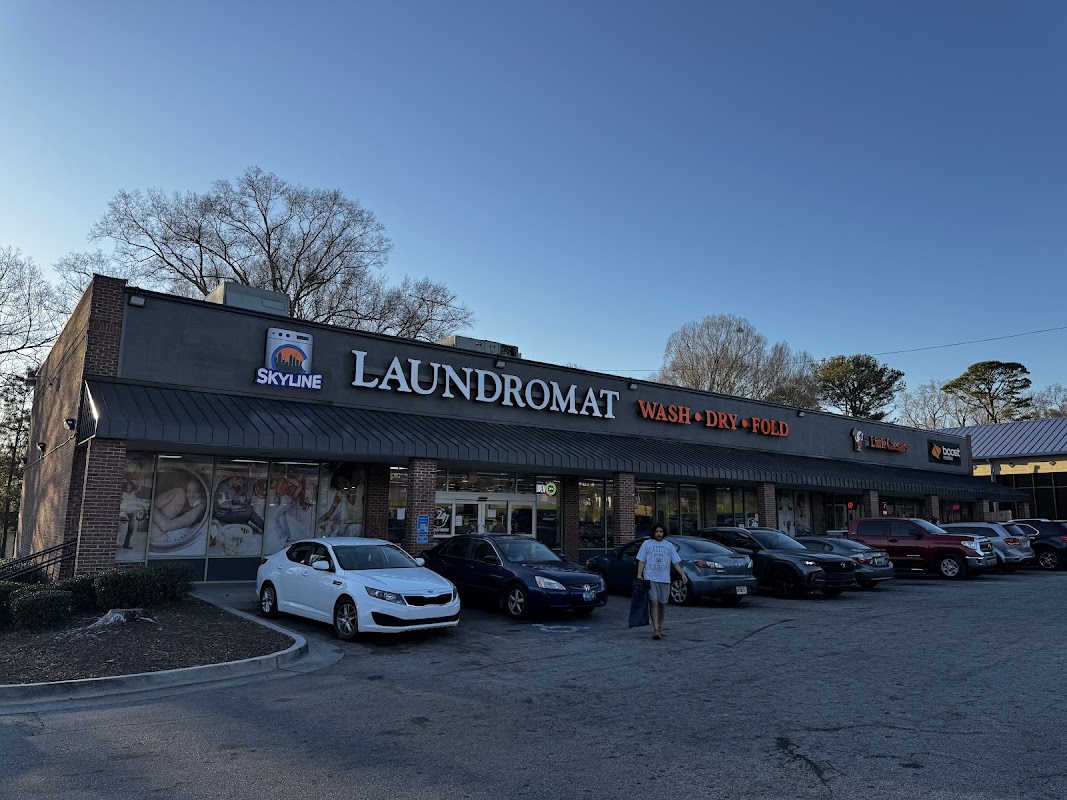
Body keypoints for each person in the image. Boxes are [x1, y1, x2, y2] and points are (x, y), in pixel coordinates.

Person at [636, 524, 688, 640]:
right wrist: (639, 575)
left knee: (662, 603)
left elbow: (676, 562)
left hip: (664, 578)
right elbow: (641, 561)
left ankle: (660, 627)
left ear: (664, 533)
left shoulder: (669, 545)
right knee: (653, 602)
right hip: (650, 578)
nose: (658, 534)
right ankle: (655, 629)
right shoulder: (647, 544)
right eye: (656, 531)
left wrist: (682, 574)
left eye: (660, 531)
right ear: (653, 533)